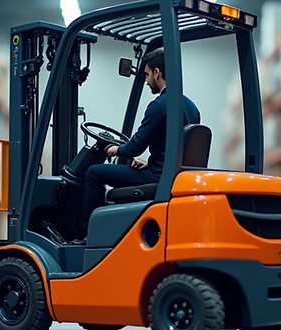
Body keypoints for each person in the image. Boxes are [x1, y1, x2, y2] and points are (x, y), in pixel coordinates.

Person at [79, 48, 200, 239]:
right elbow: (172, 147)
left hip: (156, 177)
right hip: (173, 175)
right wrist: (151, 163)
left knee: (94, 173)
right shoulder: (191, 106)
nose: (145, 80)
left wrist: (114, 149)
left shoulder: (159, 105)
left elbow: (135, 146)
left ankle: (87, 234)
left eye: (146, 74)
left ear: (157, 73)